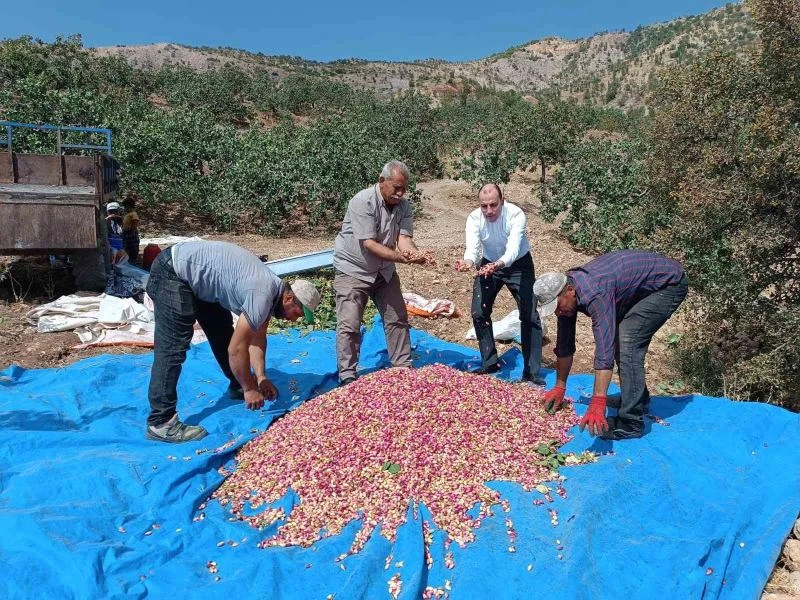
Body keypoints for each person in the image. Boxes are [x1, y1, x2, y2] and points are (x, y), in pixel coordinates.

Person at [145, 240, 321, 443]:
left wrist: (261, 378)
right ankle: (161, 422)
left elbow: (257, 339)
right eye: (297, 314)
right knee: (173, 348)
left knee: (221, 331)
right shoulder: (263, 295)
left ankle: (238, 382)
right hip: (173, 271)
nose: (295, 320)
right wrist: (250, 388)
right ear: (289, 298)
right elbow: (236, 350)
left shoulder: (272, 293)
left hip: (198, 280)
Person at [534, 250, 688, 440]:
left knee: (626, 343)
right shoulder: (568, 298)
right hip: (634, 287)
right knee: (620, 339)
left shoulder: (595, 293)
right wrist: (560, 386)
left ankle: (631, 422)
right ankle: (637, 399)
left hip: (667, 285)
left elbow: (604, 349)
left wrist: (598, 400)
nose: (557, 313)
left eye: (557, 307)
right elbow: (565, 344)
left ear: (570, 291)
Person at [332, 160, 430, 385]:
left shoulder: (404, 206)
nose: (400, 193)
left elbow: (404, 240)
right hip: (353, 268)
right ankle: (347, 376)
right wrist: (402, 258)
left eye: (404, 188)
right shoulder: (362, 201)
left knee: (397, 317)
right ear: (381, 181)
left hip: (383, 270)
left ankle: (403, 367)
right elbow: (370, 244)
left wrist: (414, 255)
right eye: (396, 187)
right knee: (350, 323)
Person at [455, 183, 544, 385]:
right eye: (484, 206)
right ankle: (490, 363)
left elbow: (513, 248)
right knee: (479, 312)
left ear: (502, 201)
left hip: (518, 264)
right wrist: (467, 262)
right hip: (488, 262)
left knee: (529, 315)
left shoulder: (515, 215)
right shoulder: (474, 218)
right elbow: (472, 247)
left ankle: (532, 372)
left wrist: (499, 264)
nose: (488, 211)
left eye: (493, 205)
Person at [122, 197, 140, 264]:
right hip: (127, 234)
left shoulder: (133, 214)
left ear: (128, 206)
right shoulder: (128, 214)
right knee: (127, 248)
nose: (125, 209)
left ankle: (133, 262)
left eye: (125, 207)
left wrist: (131, 228)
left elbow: (135, 221)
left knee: (133, 249)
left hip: (131, 234)